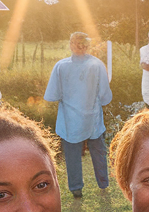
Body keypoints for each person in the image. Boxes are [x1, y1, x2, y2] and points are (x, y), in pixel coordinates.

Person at [44, 31, 113, 199]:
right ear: (87, 46)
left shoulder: (61, 66)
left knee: (72, 154)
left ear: (70, 45)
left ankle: (76, 188)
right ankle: (103, 183)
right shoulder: (97, 65)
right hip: (92, 118)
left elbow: (52, 95)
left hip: (70, 120)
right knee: (98, 151)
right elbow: (105, 97)